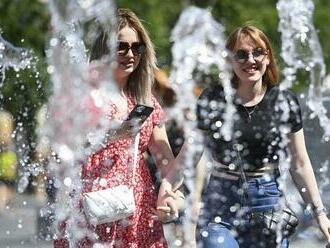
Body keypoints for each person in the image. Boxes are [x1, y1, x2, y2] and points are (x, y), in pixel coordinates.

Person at [54, 8, 183, 248]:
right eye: (121, 46)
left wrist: (173, 196)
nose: (130, 54)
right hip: (90, 210)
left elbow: (168, 163)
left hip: (138, 212)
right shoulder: (86, 95)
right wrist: (114, 134)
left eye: (137, 47)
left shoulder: (146, 100)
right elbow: (65, 147)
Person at [193, 24, 330, 247]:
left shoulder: (284, 101)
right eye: (241, 54)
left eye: (258, 52)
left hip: (267, 199)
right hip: (221, 200)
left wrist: (319, 213)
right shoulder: (213, 98)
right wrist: (171, 189)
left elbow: (299, 162)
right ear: (230, 61)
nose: (250, 59)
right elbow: (192, 155)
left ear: (268, 57)